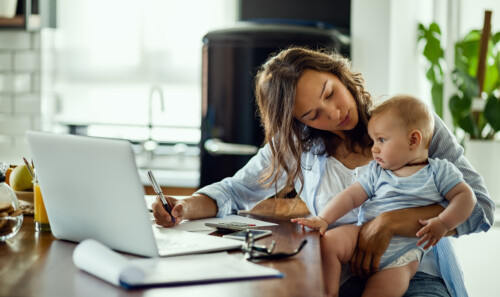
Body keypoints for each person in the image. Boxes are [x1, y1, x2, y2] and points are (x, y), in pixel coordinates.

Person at [152, 47, 494, 297]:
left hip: (416, 274)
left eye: (330, 93)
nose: (333, 114)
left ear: (339, 74)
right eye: (313, 115)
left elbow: (480, 210)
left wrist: (388, 223)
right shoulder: (299, 146)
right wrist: (184, 206)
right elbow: (232, 191)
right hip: (341, 276)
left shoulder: (410, 126)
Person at [291, 95, 476, 297]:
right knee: (329, 242)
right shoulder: (377, 171)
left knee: (379, 290)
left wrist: (444, 222)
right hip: (363, 235)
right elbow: (351, 196)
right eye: (373, 141)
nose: (374, 149)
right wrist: (324, 219)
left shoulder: (439, 171)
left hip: (402, 256)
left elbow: (466, 197)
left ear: (413, 140)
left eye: (381, 140)